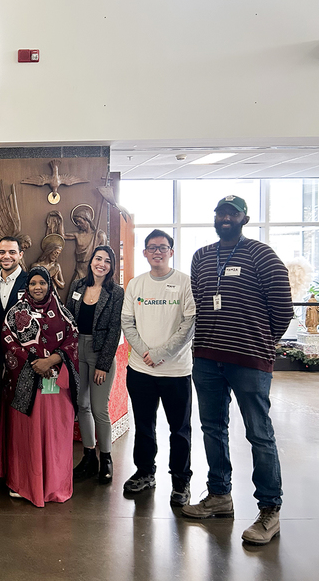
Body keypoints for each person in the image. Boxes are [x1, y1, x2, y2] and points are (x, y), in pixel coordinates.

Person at [182, 195, 293, 546]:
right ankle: (219, 496)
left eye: (232, 213)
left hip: (248, 360)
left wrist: (259, 343)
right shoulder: (201, 257)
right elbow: (200, 301)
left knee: (259, 433)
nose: (225, 218)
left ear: (244, 218)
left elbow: (283, 309)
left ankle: (270, 510)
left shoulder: (262, 255)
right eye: (220, 213)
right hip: (207, 358)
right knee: (213, 428)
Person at [120, 230, 196, 506]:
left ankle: (180, 481)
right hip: (140, 371)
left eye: (163, 247)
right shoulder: (136, 285)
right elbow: (127, 322)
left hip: (176, 371)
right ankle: (144, 473)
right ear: (145, 253)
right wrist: (144, 352)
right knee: (144, 425)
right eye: (152, 248)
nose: (157, 252)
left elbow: (189, 324)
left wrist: (162, 353)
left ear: (171, 252)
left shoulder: (185, 283)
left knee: (179, 429)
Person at [0, 266, 80, 506]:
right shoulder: (15, 312)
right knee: (27, 437)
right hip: (25, 385)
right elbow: (7, 339)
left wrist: (52, 361)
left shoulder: (62, 312)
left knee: (54, 435)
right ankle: (24, 483)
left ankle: (54, 484)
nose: (37, 287)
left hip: (55, 384)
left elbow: (72, 337)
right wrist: (35, 364)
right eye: (33, 283)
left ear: (49, 285)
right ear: (27, 286)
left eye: (42, 283)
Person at [66, 245, 124, 484]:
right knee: (82, 404)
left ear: (111, 266)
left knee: (99, 408)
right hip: (77, 348)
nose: (101, 263)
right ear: (91, 261)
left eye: (107, 261)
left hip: (100, 353)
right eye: (98, 259)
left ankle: (106, 458)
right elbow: (69, 318)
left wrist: (103, 364)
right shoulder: (78, 286)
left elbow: (114, 330)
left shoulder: (116, 292)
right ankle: (89, 456)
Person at [0, 236, 29, 473]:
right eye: (2, 252)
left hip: (23, 357)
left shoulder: (32, 282)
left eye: (12, 252)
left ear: (20, 255)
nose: (6, 256)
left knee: (20, 404)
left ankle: (20, 455)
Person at [66, 207, 108, 282]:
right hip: (80, 269)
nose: (78, 224)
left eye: (80, 222)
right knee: (76, 290)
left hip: (93, 269)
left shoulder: (99, 235)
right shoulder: (78, 235)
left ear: (87, 220)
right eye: (76, 222)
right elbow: (63, 236)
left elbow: (105, 255)